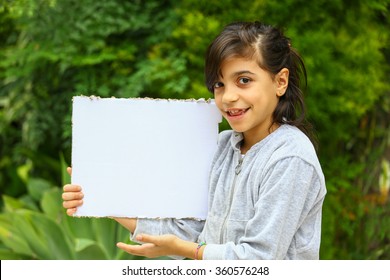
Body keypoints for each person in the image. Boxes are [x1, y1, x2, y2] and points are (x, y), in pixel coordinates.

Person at [62, 21, 326, 260]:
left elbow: (258, 259)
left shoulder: (290, 157)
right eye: (219, 85)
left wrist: (186, 250)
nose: (228, 97)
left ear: (280, 82)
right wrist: (98, 196)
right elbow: (192, 232)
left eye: (243, 80)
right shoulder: (223, 146)